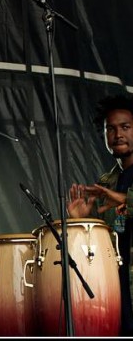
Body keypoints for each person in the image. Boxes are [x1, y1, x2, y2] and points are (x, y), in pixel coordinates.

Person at [67, 93, 133, 336]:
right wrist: (83, 220)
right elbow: (98, 243)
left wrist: (126, 199)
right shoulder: (107, 182)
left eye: (125, 127)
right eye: (110, 129)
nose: (118, 135)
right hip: (115, 285)